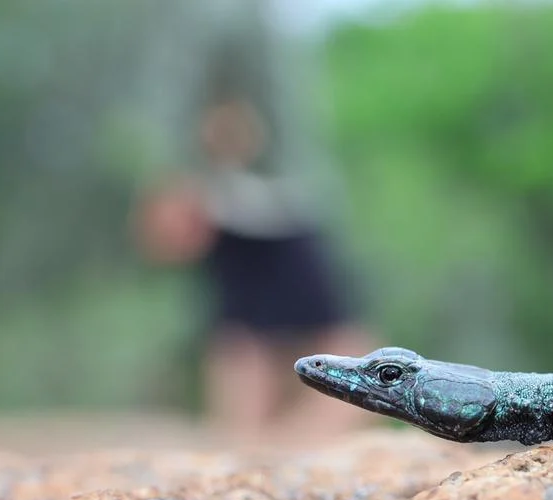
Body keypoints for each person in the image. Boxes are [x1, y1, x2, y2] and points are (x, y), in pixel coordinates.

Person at [134, 18, 376, 441]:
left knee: (243, 332)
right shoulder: (229, 18)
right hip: (262, 201)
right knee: (328, 336)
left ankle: (255, 446)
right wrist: (177, 180)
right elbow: (210, 107)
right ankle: (271, 448)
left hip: (252, 200)